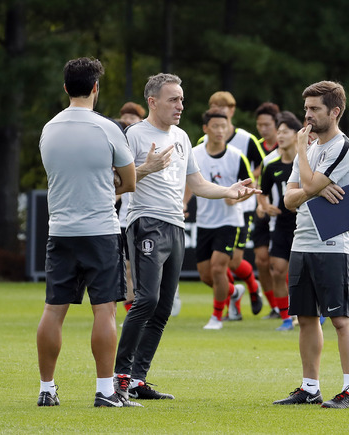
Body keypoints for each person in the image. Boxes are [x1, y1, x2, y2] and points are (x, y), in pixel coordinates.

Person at [114, 74, 258, 402]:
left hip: (175, 225)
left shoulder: (181, 136)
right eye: (173, 100)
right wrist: (146, 167)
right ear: (152, 101)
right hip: (145, 222)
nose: (181, 105)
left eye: (181, 99)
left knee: (163, 307)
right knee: (146, 299)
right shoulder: (133, 135)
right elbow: (115, 183)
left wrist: (230, 191)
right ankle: (119, 377)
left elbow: (198, 183)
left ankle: (138, 379)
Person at [36, 57, 136, 408]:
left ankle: (47, 389)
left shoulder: (49, 128)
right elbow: (130, 180)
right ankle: (106, 390)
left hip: (60, 232)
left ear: (66, 88)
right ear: (96, 87)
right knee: (104, 310)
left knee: (53, 310)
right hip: (100, 231)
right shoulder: (107, 128)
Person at [274, 81, 349, 408]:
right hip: (302, 241)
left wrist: (309, 183)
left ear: (334, 112)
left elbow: (305, 184)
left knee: (340, 319)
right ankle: (310, 387)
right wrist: (314, 188)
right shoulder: (307, 149)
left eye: (314, 109)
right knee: (306, 317)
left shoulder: (343, 147)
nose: (306, 115)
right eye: (306, 108)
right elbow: (289, 199)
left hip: (333, 244)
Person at [198, 91, 266, 316]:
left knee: (232, 262)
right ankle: (235, 295)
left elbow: (261, 167)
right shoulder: (200, 145)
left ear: (232, 111)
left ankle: (249, 291)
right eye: (215, 106)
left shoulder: (246, 139)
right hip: (210, 212)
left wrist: (240, 189)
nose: (220, 110)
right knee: (214, 271)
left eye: (224, 107)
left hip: (241, 208)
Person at [191, 110, 256, 329]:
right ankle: (235, 291)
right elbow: (188, 183)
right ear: (205, 129)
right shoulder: (195, 153)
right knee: (206, 276)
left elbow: (251, 188)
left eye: (224, 126)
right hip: (204, 221)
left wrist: (236, 199)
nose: (221, 131)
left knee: (219, 269)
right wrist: (182, 203)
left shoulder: (237, 156)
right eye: (216, 126)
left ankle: (216, 317)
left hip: (230, 221)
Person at [257, 111, 302, 330]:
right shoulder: (270, 162)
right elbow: (261, 191)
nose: (281, 136)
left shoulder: (307, 160)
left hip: (305, 223)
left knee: (307, 271)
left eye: (286, 131)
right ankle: (286, 318)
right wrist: (265, 206)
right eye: (280, 131)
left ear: (297, 135)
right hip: (281, 225)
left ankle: (316, 312)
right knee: (278, 270)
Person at [115, 101, 146, 313]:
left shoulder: (146, 146)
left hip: (146, 216)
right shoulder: (116, 148)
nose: (128, 121)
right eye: (125, 117)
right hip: (125, 219)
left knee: (143, 269)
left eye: (132, 118)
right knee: (127, 268)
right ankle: (131, 312)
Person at [254, 102, 281, 318]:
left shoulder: (289, 146)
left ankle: (290, 305)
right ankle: (274, 305)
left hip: (282, 212)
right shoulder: (255, 146)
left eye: (268, 124)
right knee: (261, 260)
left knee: (280, 262)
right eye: (259, 124)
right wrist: (260, 204)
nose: (263, 129)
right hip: (260, 209)